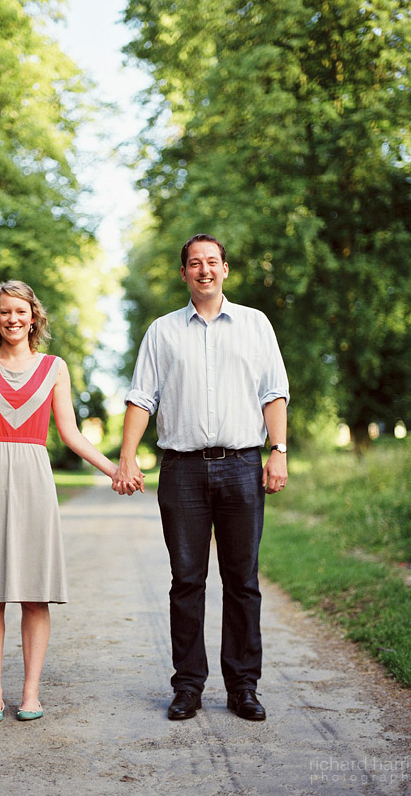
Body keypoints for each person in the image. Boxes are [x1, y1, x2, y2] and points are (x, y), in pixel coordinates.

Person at [112, 234, 289, 722]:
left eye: (213, 262)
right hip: (183, 470)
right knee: (186, 581)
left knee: (242, 580)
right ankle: (188, 685)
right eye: (195, 263)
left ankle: (243, 687)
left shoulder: (255, 325)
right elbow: (141, 397)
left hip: (242, 465)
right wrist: (127, 457)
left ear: (226, 270)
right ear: (184, 273)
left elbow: (274, 392)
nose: (204, 270)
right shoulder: (162, 332)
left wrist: (279, 452)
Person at [0, 280, 130, 723]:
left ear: (35, 317)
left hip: (33, 477)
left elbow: (69, 432)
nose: (13, 319)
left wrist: (114, 469)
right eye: (5, 312)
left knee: (35, 595)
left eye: (21, 311)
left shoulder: (54, 367)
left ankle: (30, 694)